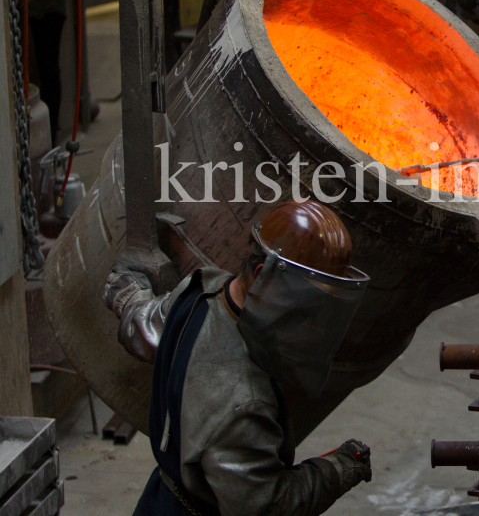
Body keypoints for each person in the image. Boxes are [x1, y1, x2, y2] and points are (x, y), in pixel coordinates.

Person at [103, 200, 373, 516]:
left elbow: (149, 327)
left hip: (159, 501)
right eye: (307, 299)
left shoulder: (205, 290)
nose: (314, 316)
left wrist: (129, 299)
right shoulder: (243, 400)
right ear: (262, 277)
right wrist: (336, 471)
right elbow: (266, 507)